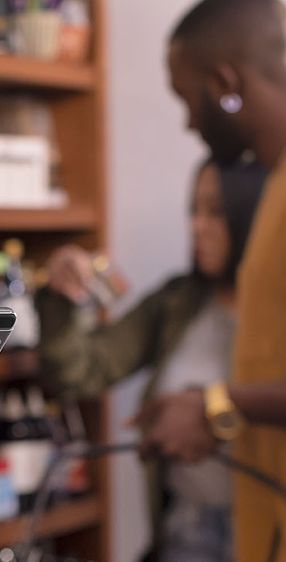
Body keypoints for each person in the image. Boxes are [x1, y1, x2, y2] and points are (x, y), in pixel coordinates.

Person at [37, 158, 266, 562]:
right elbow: (80, 371)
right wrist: (61, 298)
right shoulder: (178, 302)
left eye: (215, 212)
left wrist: (211, 410)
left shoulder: (273, 316)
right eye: (193, 211)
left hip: (268, 529)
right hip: (188, 532)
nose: (197, 226)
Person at [139, 0, 286, 560]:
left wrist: (217, 406)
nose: (189, 123)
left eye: (188, 99)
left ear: (226, 83)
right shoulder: (273, 188)